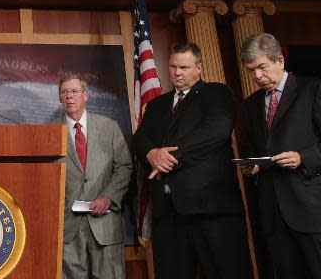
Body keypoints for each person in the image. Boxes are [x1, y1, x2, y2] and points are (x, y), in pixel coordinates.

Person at [132, 42, 252, 279]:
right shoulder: (156, 105)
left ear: (198, 68)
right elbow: (139, 138)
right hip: (168, 214)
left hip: (212, 210)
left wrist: (168, 158)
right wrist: (150, 154)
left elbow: (215, 133)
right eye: (173, 67)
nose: (177, 73)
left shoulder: (217, 93)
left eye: (184, 67)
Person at [239, 32, 321, 278]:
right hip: (273, 213)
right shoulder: (250, 105)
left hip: (310, 208)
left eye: (262, 68)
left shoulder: (313, 89)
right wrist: (254, 166)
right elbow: (257, 150)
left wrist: (303, 158)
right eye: (251, 71)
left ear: (280, 61)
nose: (257, 76)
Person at [59, 74, 132, 279]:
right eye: (64, 93)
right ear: (59, 99)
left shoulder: (109, 127)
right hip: (68, 225)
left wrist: (108, 197)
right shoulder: (51, 133)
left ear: (86, 95)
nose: (69, 97)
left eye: (74, 91)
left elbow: (124, 167)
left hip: (104, 220)